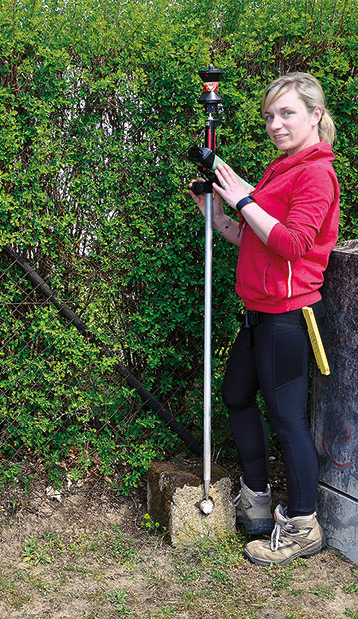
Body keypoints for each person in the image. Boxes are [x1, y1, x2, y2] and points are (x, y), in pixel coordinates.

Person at [189, 72, 339, 566]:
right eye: (270, 115)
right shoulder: (282, 169)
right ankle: (255, 499)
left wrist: (245, 199)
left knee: (288, 422)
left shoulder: (317, 173)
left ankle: (303, 525)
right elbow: (254, 236)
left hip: (290, 317)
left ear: (316, 115)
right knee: (236, 394)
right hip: (259, 313)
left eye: (287, 113)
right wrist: (218, 217)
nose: (276, 124)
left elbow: (294, 244)